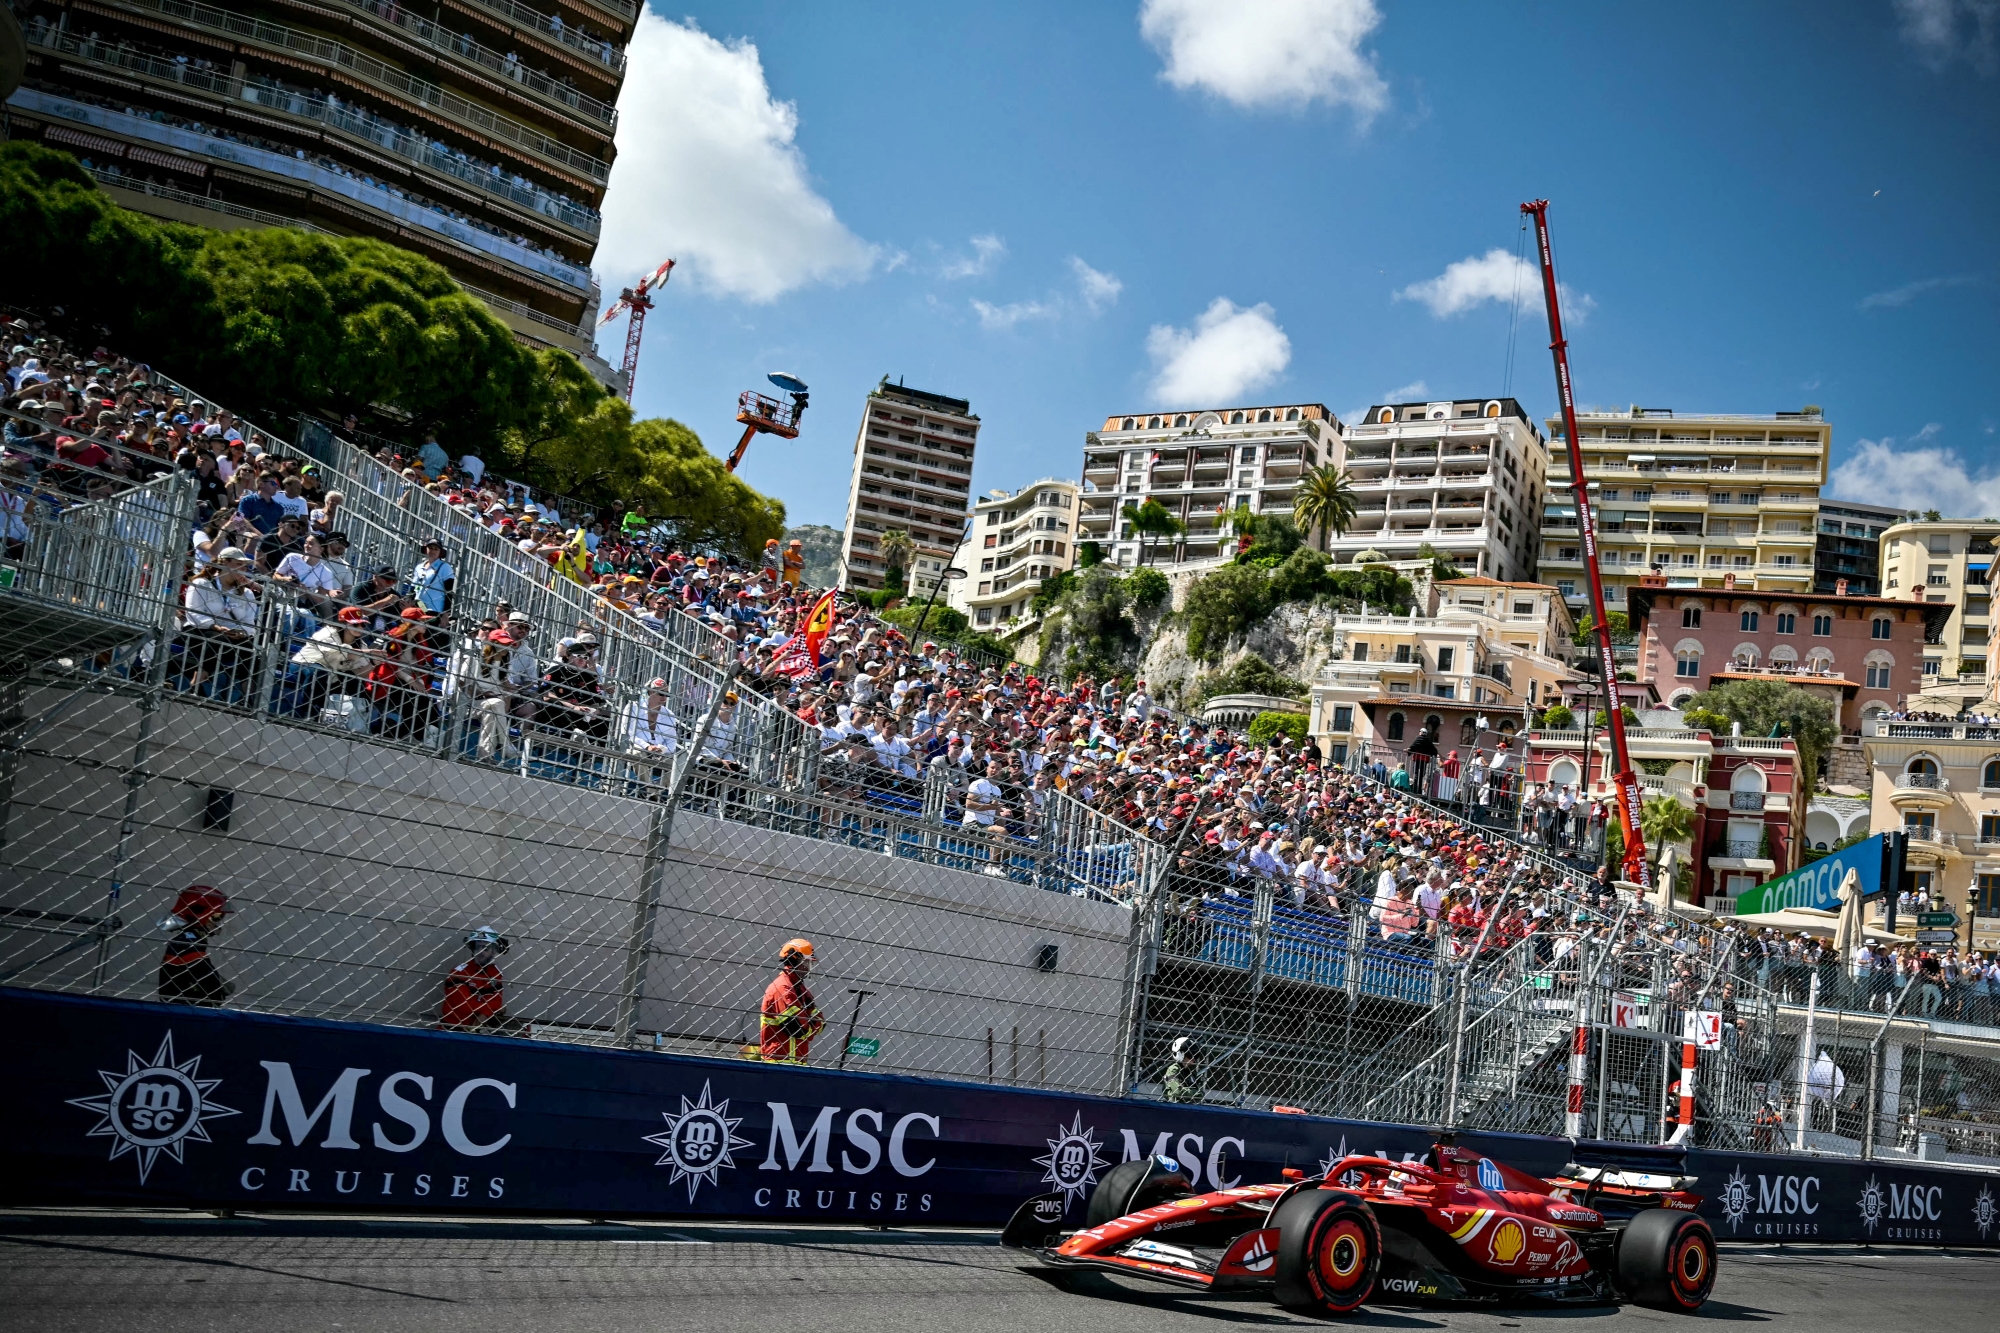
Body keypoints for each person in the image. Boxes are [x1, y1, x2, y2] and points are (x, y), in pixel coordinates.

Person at [159, 886, 232, 1006]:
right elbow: (209, 983)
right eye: (216, 916)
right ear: (200, 914)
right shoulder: (189, 942)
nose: (218, 922)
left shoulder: (187, 940)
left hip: (182, 1008)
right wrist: (220, 986)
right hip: (186, 1010)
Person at [758, 937, 825, 1064]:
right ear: (794, 960)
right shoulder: (782, 988)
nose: (808, 968)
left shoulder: (802, 990)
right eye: (806, 963)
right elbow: (797, 1027)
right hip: (777, 1063)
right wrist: (810, 1024)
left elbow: (821, 1023)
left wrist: (808, 1024)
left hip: (798, 1063)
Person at [441, 926, 510, 1031]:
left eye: (486, 948)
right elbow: (464, 1006)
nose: (481, 952)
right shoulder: (459, 973)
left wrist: (485, 1013)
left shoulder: (495, 973)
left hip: (477, 1032)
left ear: (493, 951)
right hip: (451, 1031)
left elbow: (496, 1001)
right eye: (478, 947)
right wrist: (491, 1010)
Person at [1163, 1035, 1204, 1103]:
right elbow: (1177, 1092)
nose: (1193, 1058)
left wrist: (1195, 1093)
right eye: (1190, 1055)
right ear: (1180, 1054)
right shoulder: (1174, 1069)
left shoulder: (1191, 1071)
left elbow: (1199, 1094)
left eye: (1196, 1055)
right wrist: (1195, 1093)